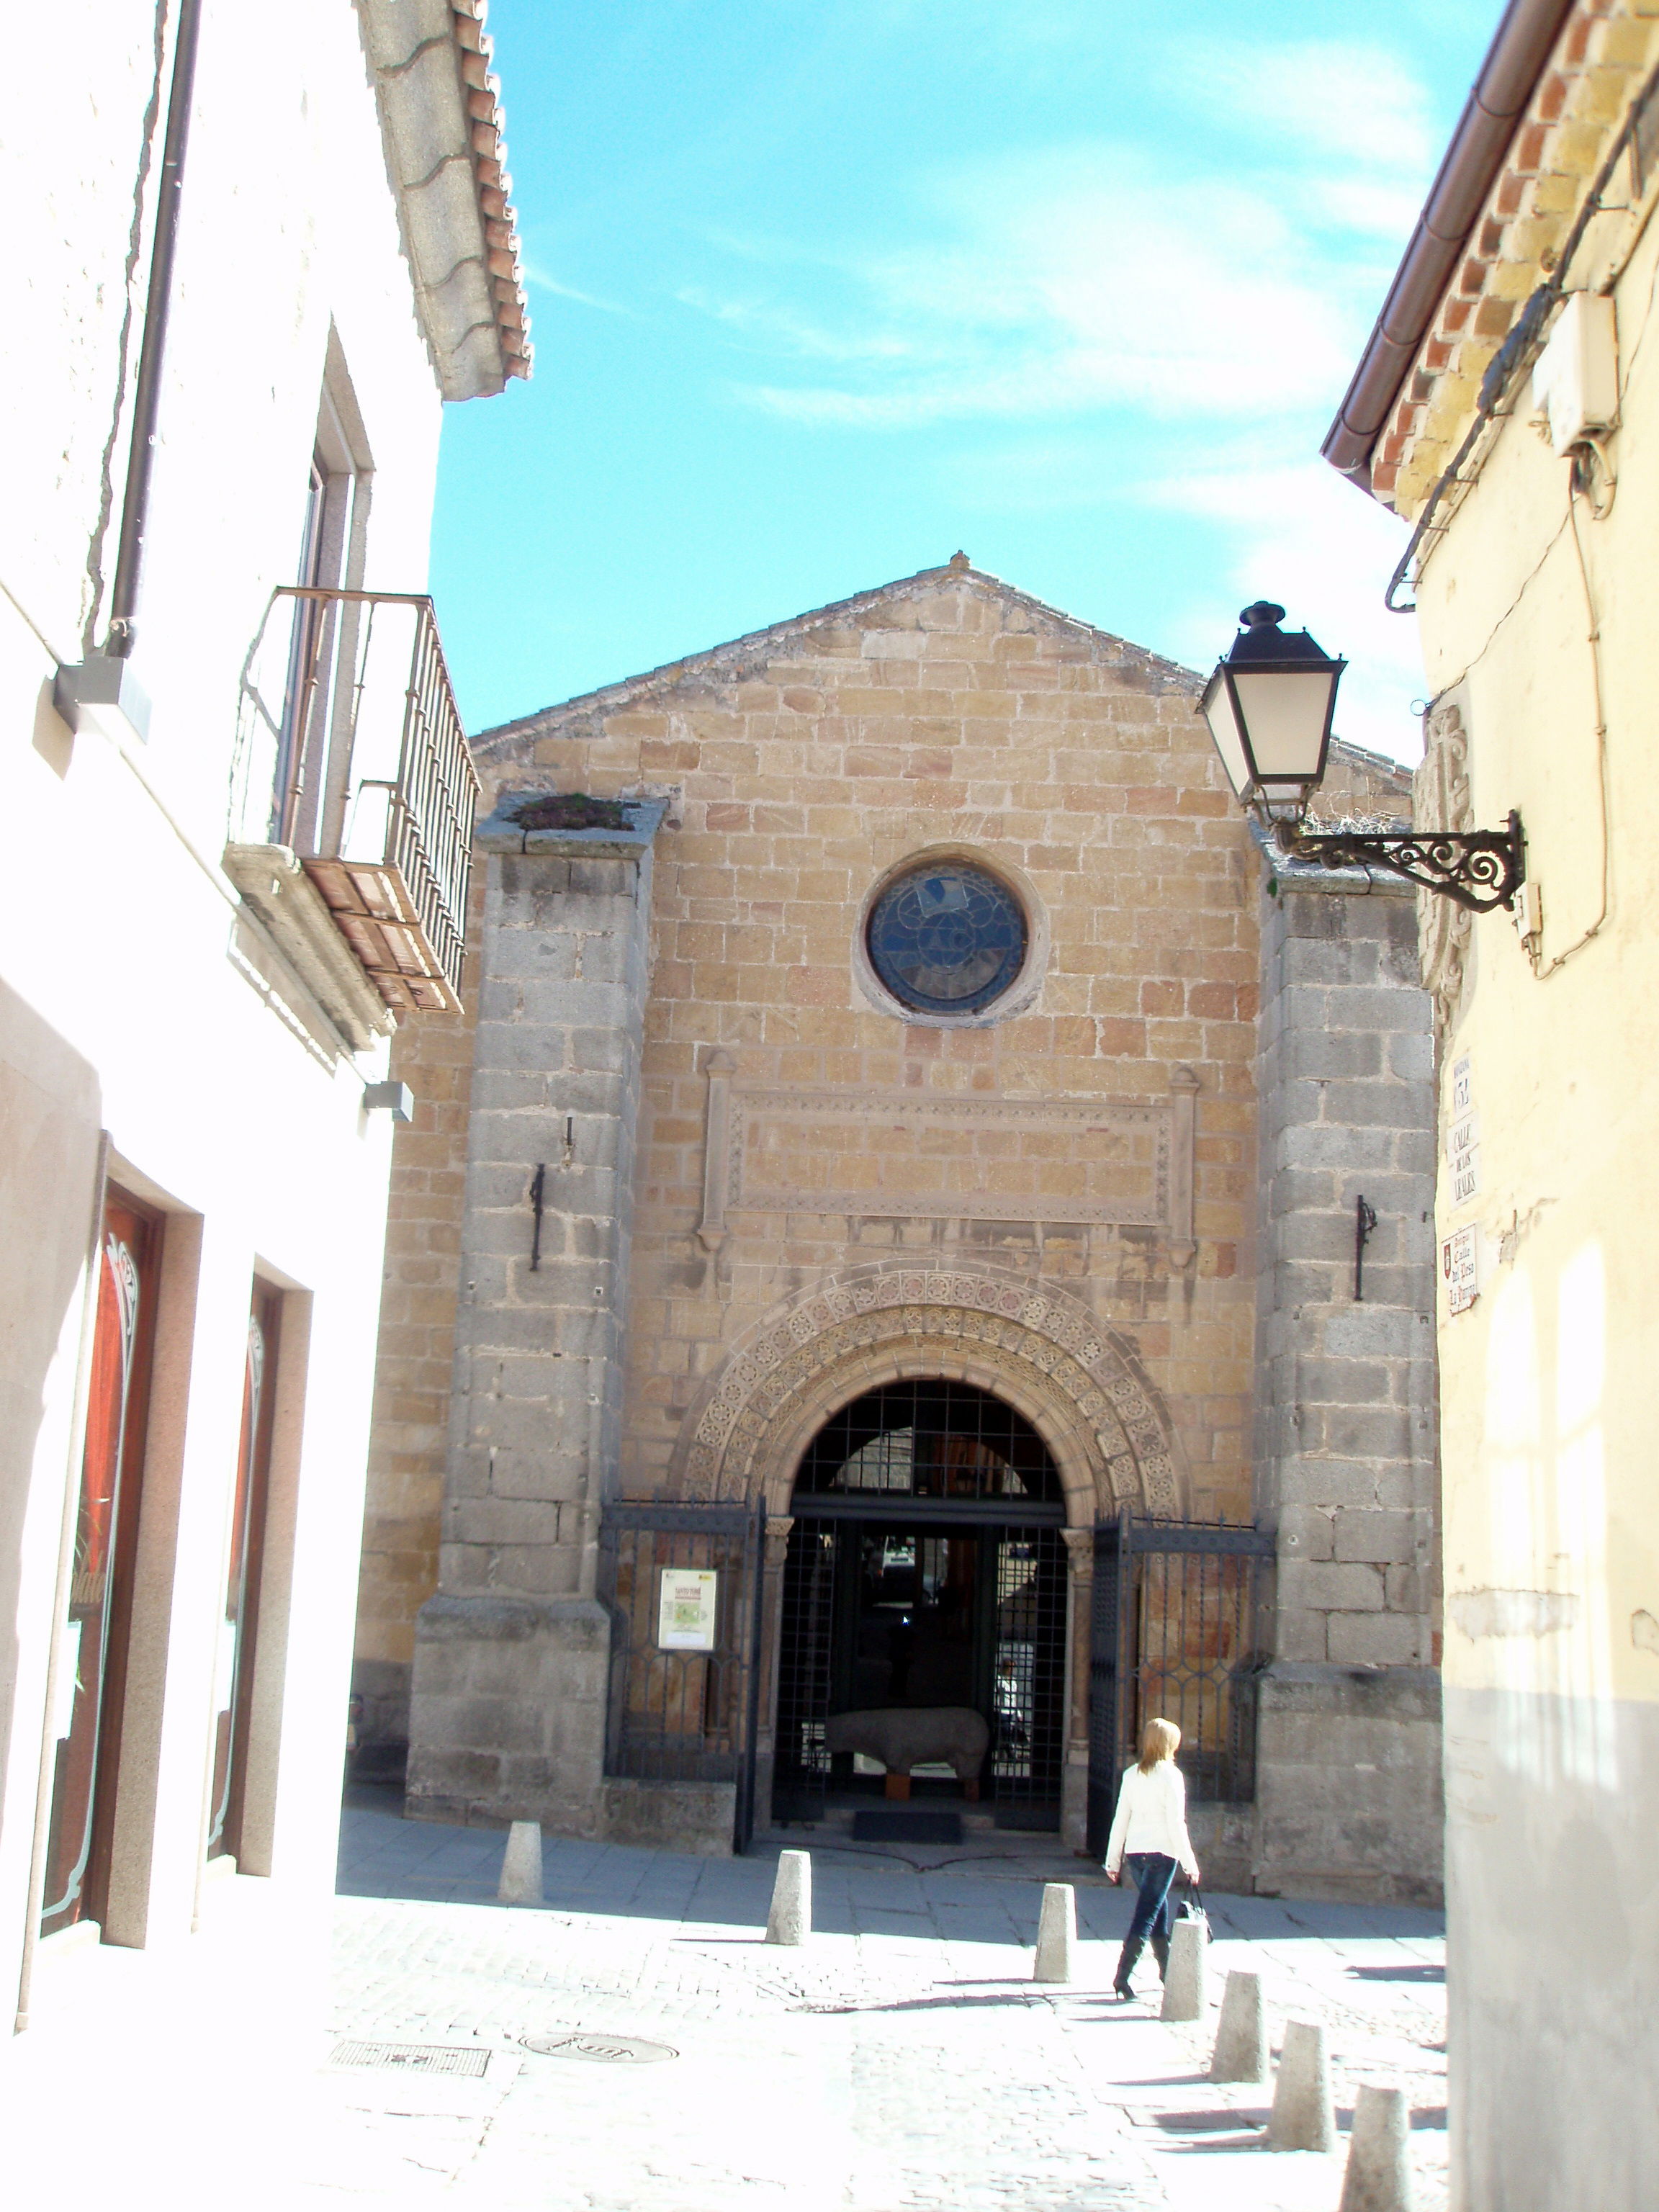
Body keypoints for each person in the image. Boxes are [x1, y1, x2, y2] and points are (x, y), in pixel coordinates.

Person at [1103, 1716, 1200, 2000]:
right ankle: (1122, 1977)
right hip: (1162, 1853)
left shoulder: (1132, 1774)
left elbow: (1121, 1818)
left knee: (1156, 1910)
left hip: (1136, 1853)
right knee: (1146, 1915)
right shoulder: (1172, 1776)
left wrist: (1113, 1860)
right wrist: (1190, 1864)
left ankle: (1167, 1972)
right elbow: (1176, 1824)